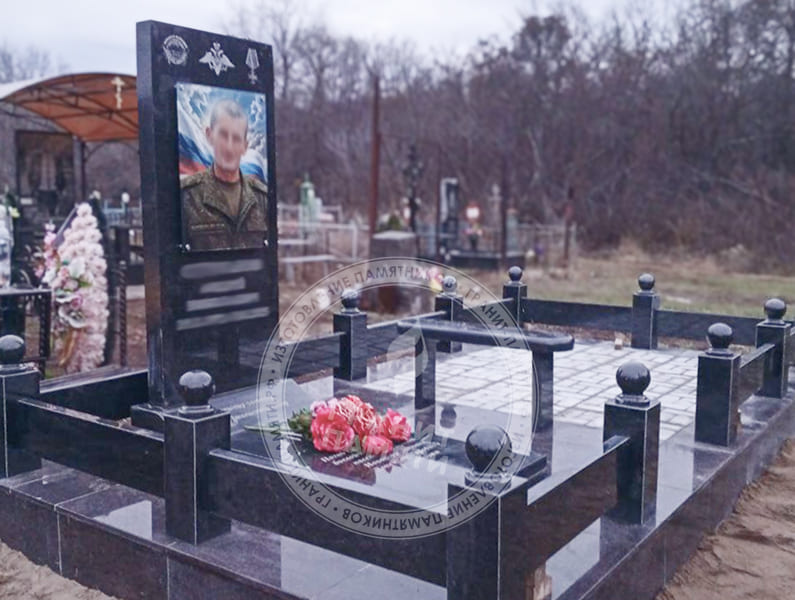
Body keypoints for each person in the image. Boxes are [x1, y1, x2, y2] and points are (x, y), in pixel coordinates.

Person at [181, 99, 268, 251]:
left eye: (236, 139)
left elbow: (268, 254)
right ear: (209, 135)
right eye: (223, 135)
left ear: (245, 146)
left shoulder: (262, 198)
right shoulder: (187, 195)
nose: (229, 147)